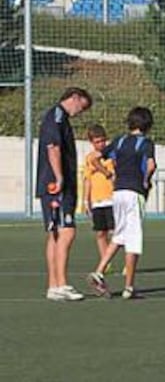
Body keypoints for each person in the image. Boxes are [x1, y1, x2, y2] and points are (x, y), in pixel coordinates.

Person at [87, 106, 156, 299]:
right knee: (133, 240)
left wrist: (106, 172)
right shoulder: (146, 143)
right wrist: (146, 180)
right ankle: (129, 288)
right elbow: (150, 165)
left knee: (120, 235)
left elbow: (95, 159)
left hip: (117, 193)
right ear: (148, 125)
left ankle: (99, 271)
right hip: (134, 193)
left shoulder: (119, 140)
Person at [36, 87, 93, 301]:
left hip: (53, 185)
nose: (81, 111)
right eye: (82, 106)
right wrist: (59, 177)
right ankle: (61, 283)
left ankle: (54, 285)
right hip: (57, 186)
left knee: (55, 235)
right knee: (66, 231)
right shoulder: (57, 116)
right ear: (74, 98)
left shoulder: (57, 117)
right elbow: (53, 148)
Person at [83, 124, 115, 274]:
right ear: (91, 143)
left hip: (112, 198)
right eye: (97, 142)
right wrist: (86, 200)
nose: (100, 144)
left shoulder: (111, 156)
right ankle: (106, 261)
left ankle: (128, 262)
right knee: (100, 233)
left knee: (116, 232)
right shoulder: (89, 158)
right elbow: (87, 180)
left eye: (102, 141)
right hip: (97, 200)